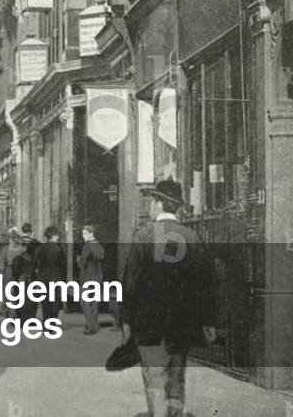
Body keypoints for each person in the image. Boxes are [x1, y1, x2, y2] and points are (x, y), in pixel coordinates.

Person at [123, 178, 216, 417]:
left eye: (152, 201)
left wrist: (124, 319)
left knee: (154, 377)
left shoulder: (144, 236)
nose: (150, 207)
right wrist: (208, 320)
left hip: (149, 322)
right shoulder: (192, 237)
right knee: (176, 378)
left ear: (159, 204)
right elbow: (206, 283)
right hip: (182, 322)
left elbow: (130, 283)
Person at [35, 226, 66, 321]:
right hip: (56, 277)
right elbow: (62, 264)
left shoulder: (40, 248)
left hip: (43, 277)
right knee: (55, 301)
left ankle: (46, 322)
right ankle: (52, 323)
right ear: (54, 236)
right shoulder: (59, 249)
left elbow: (35, 262)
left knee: (45, 302)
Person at [77, 223, 105, 334]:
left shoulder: (87, 246)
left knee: (85, 302)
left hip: (87, 277)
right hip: (97, 277)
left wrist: (78, 259)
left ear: (91, 233)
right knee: (94, 303)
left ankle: (91, 326)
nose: (83, 236)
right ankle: (95, 324)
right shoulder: (98, 245)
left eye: (85, 233)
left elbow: (83, 263)